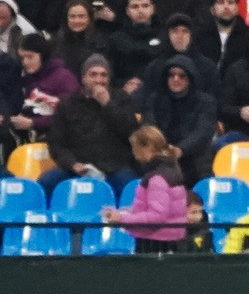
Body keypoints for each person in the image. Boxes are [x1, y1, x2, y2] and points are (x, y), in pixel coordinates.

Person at [43, 54, 143, 191]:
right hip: (78, 164)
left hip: (114, 165)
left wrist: (107, 104)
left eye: (103, 75)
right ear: (83, 78)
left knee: (130, 186)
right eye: (93, 75)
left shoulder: (122, 99)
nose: (99, 80)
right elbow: (56, 143)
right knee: (46, 182)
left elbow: (132, 132)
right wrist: (72, 163)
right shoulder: (68, 103)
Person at [98, 126, 190, 254]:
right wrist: (128, 212)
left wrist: (121, 219)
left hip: (155, 244)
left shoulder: (157, 178)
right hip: (169, 241)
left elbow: (157, 216)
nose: (134, 152)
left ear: (147, 147)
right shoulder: (171, 170)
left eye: (135, 147)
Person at [142, 55, 217, 186]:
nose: (176, 79)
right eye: (171, 75)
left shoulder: (205, 102)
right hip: (161, 159)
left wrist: (180, 149)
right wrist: (163, 150)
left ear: (190, 78)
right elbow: (149, 128)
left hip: (195, 162)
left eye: (182, 76)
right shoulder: (155, 100)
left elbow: (203, 133)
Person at [10, 36, 77, 139]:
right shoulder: (27, 79)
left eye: (30, 57)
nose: (25, 62)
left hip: (62, 141)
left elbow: (71, 114)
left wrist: (34, 123)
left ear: (43, 55)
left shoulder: (64, 78)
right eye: (22, 58)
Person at [143, 15, 218, 99]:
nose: (180, 36)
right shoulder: (155, 67)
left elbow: (213, 99)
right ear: (167, 35)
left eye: (185, 31)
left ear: (192, 35)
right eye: (175, 31)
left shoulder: (207, 67)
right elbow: (147, 99)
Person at [106, 0, 164, 93]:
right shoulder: (115, 40)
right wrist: (124, 85)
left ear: (153, 9)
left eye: (145, 6)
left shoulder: (165, 36)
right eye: (135, 6)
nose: (140, 10)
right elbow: (110, 73)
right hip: (125, 94)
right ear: (127, 11)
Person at [197, 0, 249, 74]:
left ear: (237, 9)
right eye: (221, 2)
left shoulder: (248, 34)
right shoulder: (200, 33)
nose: (226, 6)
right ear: (212, 10)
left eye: (230, 2)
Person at [51, 0, 101, 75]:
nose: (77, 21)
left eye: (81, 16)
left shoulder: (101, 43)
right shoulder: (55, 42)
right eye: (72, 16)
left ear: (89, 19)